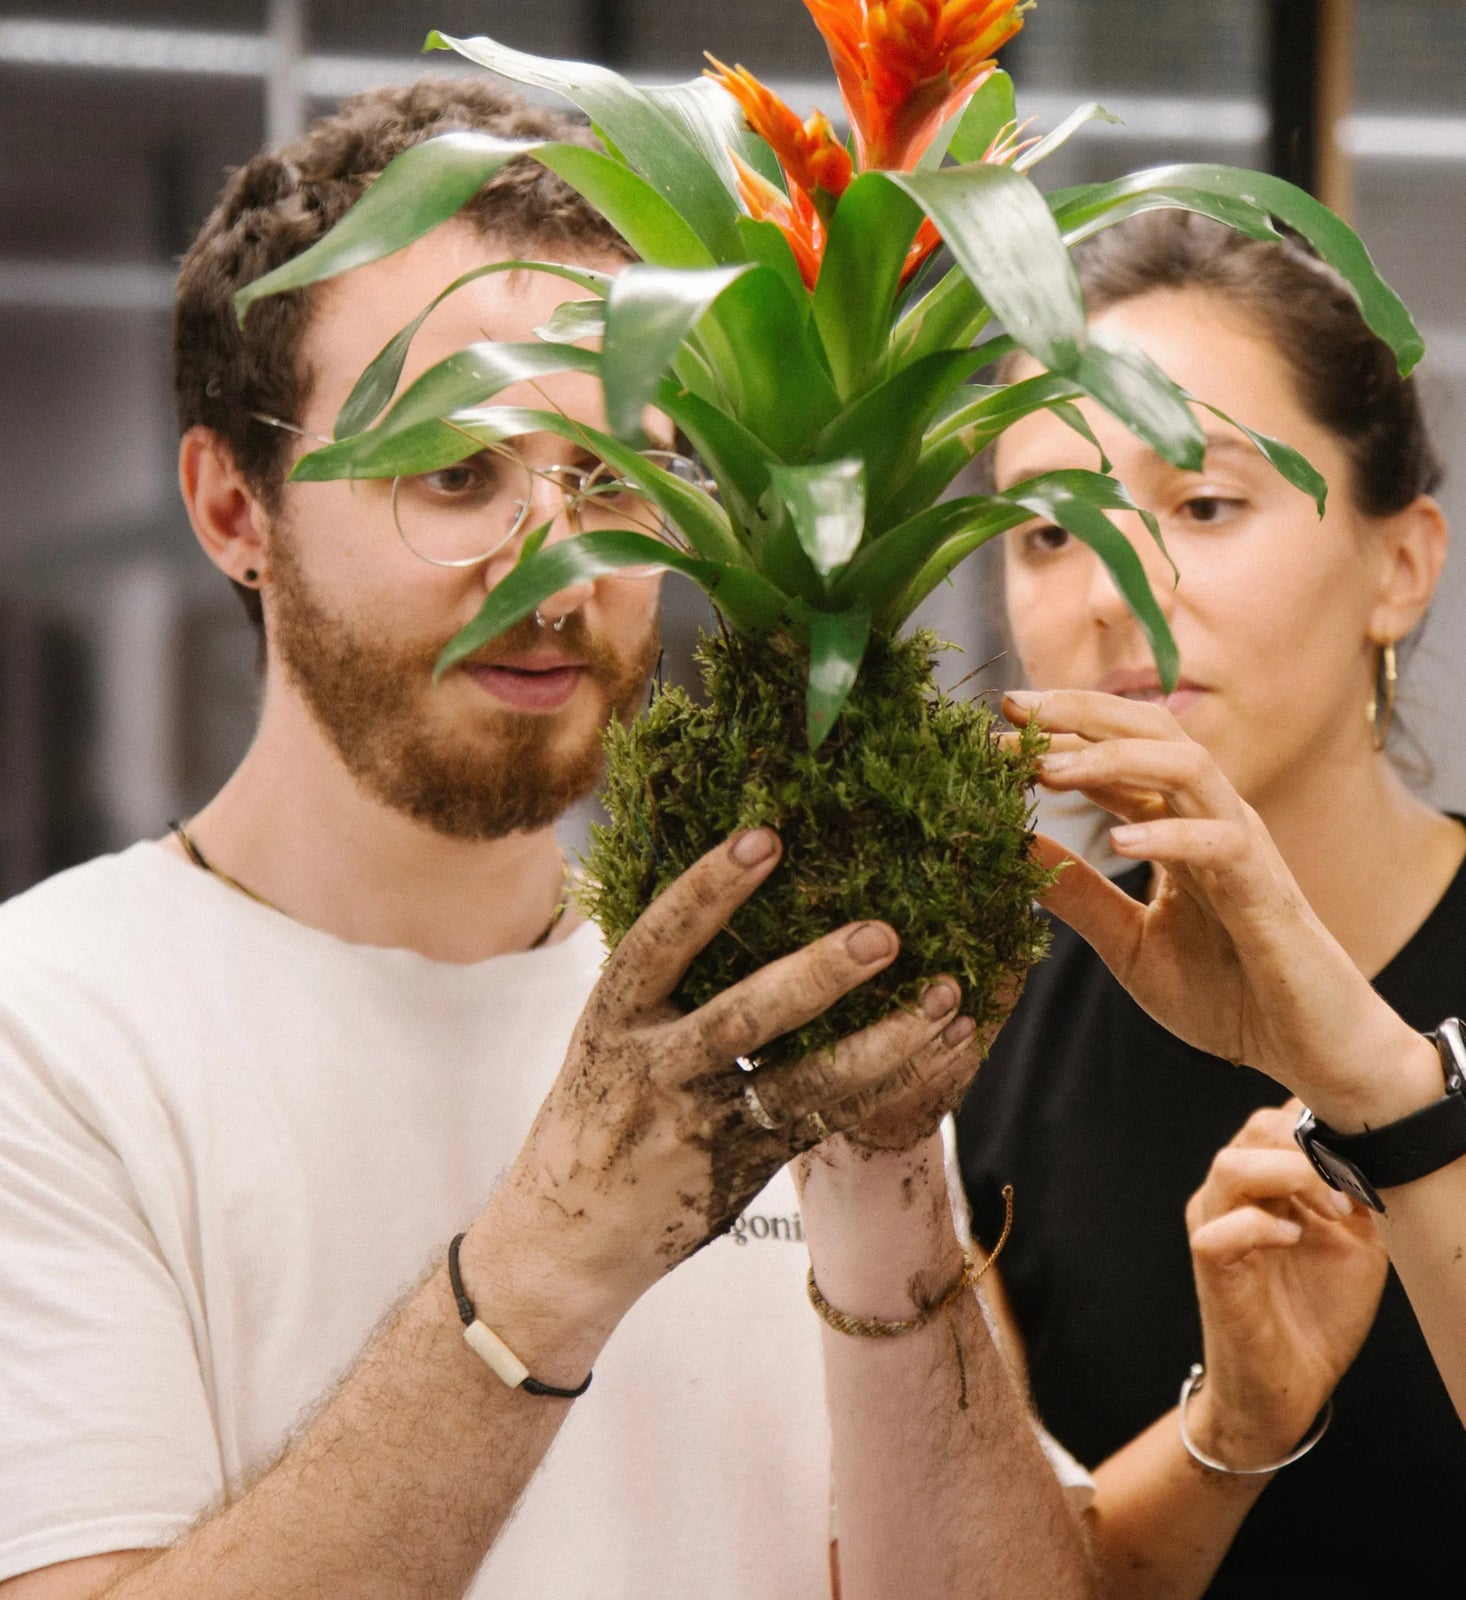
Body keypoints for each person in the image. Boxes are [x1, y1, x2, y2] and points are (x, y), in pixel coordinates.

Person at [0, 80, 1095, 1600]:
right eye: (456, 474)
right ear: (233, 507)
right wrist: (554, 1255)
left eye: (620, 479)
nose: (559, 566)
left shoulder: (766, 983)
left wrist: (884, 1183)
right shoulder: (45, 1029)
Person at [957, 209, 1466, 1597]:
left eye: (1202, 505)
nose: (1115, 594)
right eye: (1047, 530)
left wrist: (1382, 1087)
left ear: (1400, 566)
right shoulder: (967, 1028)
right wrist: (1233, 1427)